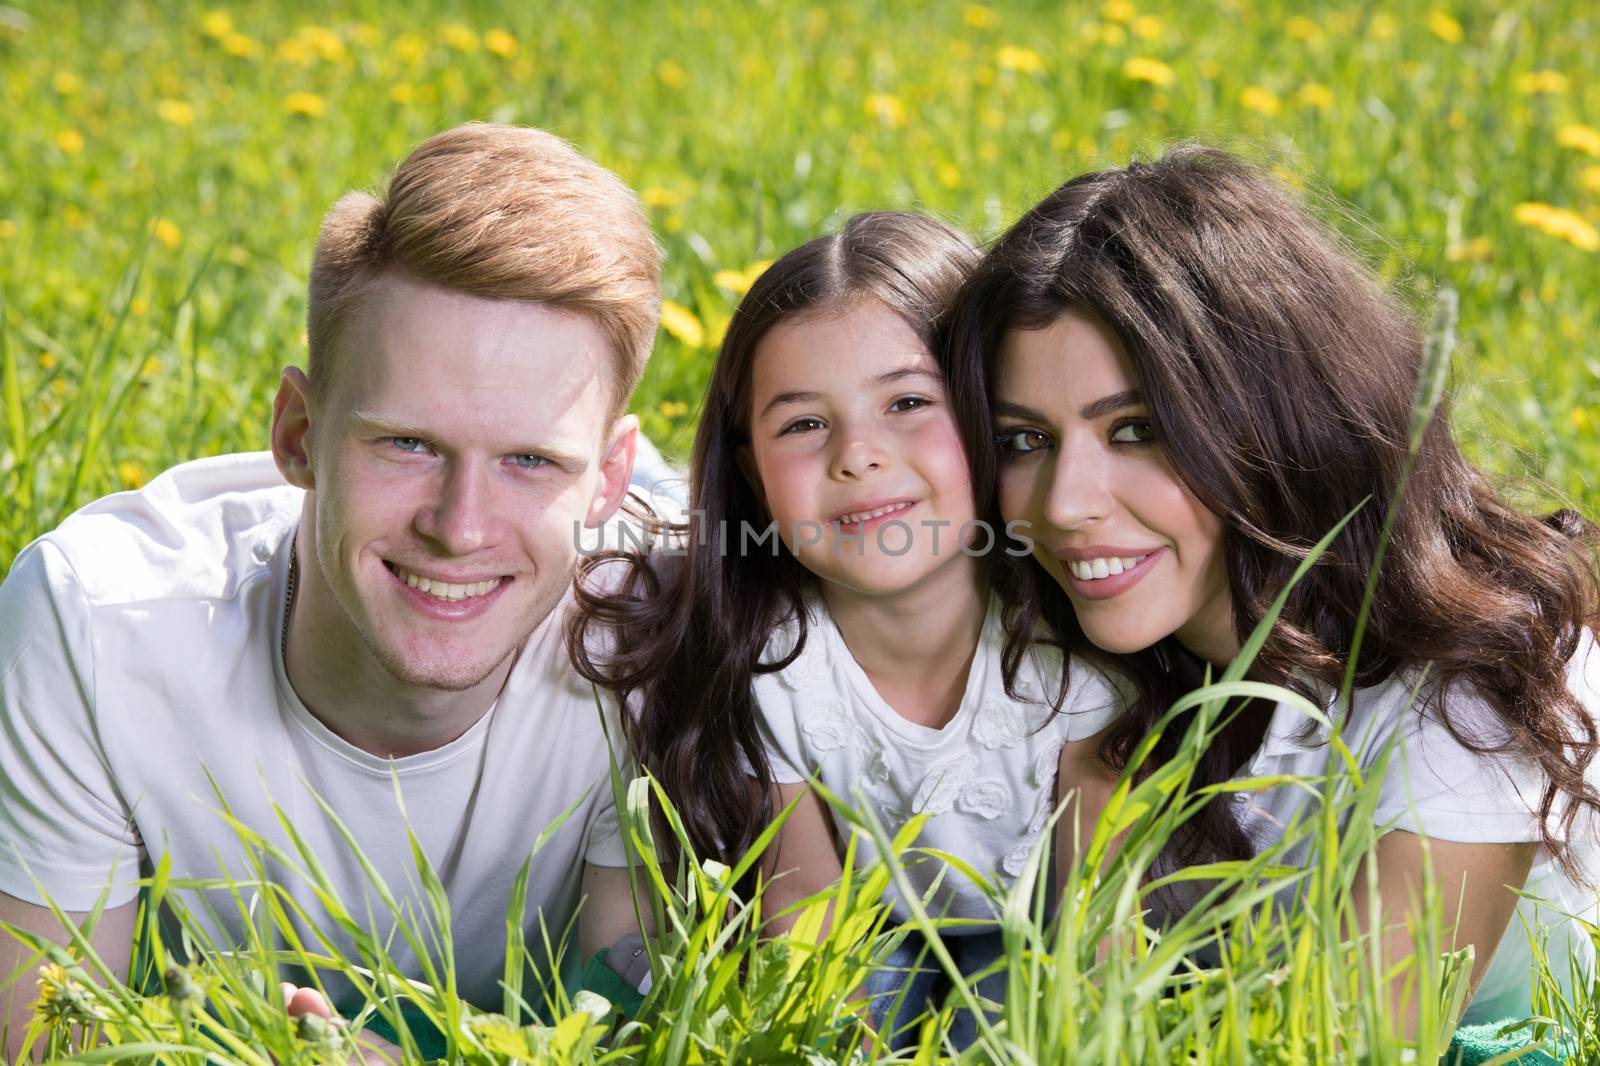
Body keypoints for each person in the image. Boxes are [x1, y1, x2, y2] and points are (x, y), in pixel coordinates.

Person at [0, 122, 665, 1057]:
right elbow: (41, 1041)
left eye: (529, 460)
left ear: (609, 477)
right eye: (407, 443)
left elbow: (646, 1037)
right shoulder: (96, 625)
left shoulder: (667, 627)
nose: (459, 525)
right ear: (298, 434)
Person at [946, 145, 1600, 1026]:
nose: (1064, 505)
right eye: (1026, 441)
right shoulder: (1086, 659)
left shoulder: (1467, 682)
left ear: (1273, 417)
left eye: (1136, 430)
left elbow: (1356, 1042)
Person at [571, 212, 1122, 1048]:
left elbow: (1098, 919)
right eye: (803, 424)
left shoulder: (1068, 631)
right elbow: (806, 919)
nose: (857, 456)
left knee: (1012, 1010)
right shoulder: (773, 656)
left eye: (907, 402)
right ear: (752, 470)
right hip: (878, 938)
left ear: (986, 409)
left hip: (1038, 934)